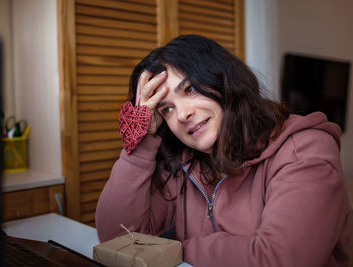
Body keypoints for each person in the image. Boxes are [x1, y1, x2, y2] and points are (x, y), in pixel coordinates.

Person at [95, 34, 351, 267]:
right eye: (167, 109)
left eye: (190, 89)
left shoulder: (305, 149)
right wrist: (142, 140)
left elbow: (279, 259)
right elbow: (118, 240)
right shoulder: (183, 162)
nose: (183, 114)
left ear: (223, 80)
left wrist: (179, 250)